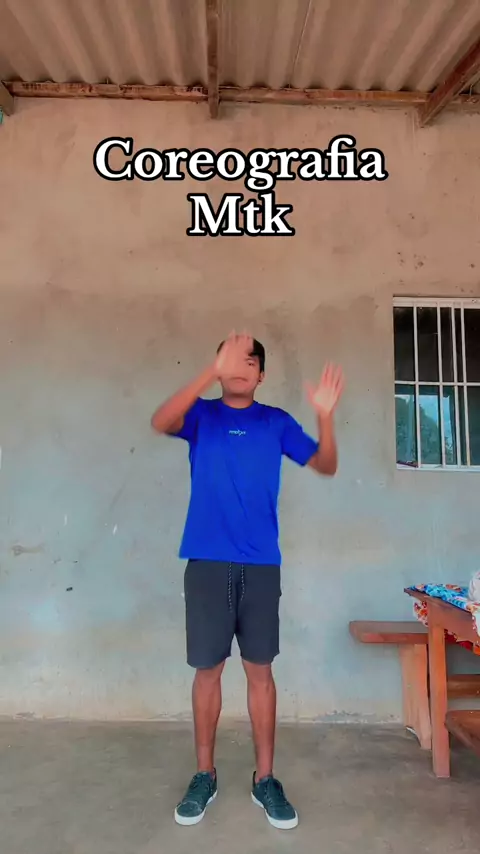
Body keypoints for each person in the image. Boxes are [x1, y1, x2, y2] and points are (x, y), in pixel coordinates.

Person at [151, 333, 344, 830]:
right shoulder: (201, 416)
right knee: (207, 672)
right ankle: (204, 774)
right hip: (207, 563)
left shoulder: (275, 422)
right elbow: (161, 421)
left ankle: (265, 779)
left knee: (260, 673)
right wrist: (208, 372)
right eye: (231, 360)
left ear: (261, 375)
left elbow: (325, 464)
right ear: (220, 366)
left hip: (260, 565)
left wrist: (324, 415)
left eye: (250, 361)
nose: (240, 367)